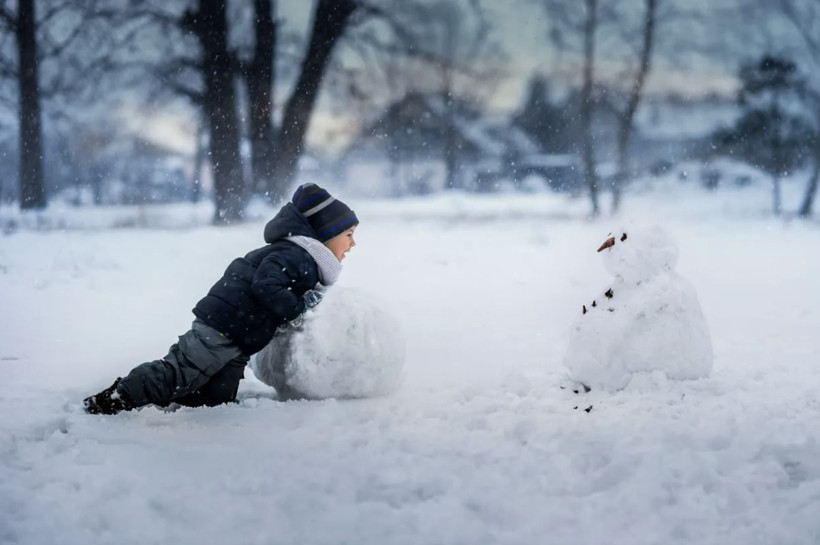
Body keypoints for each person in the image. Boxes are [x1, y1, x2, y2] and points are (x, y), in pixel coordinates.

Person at [83, 183, 358, 415]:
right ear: (325, 234)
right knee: (179, 374)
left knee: (215, 399)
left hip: (240, 338)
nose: (353, 244)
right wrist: (297, 309)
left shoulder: (303, 259)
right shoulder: (294, 255)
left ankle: (181, 401)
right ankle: (117, 397)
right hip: (221, 328)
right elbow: (266, 285)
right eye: (348, 235)